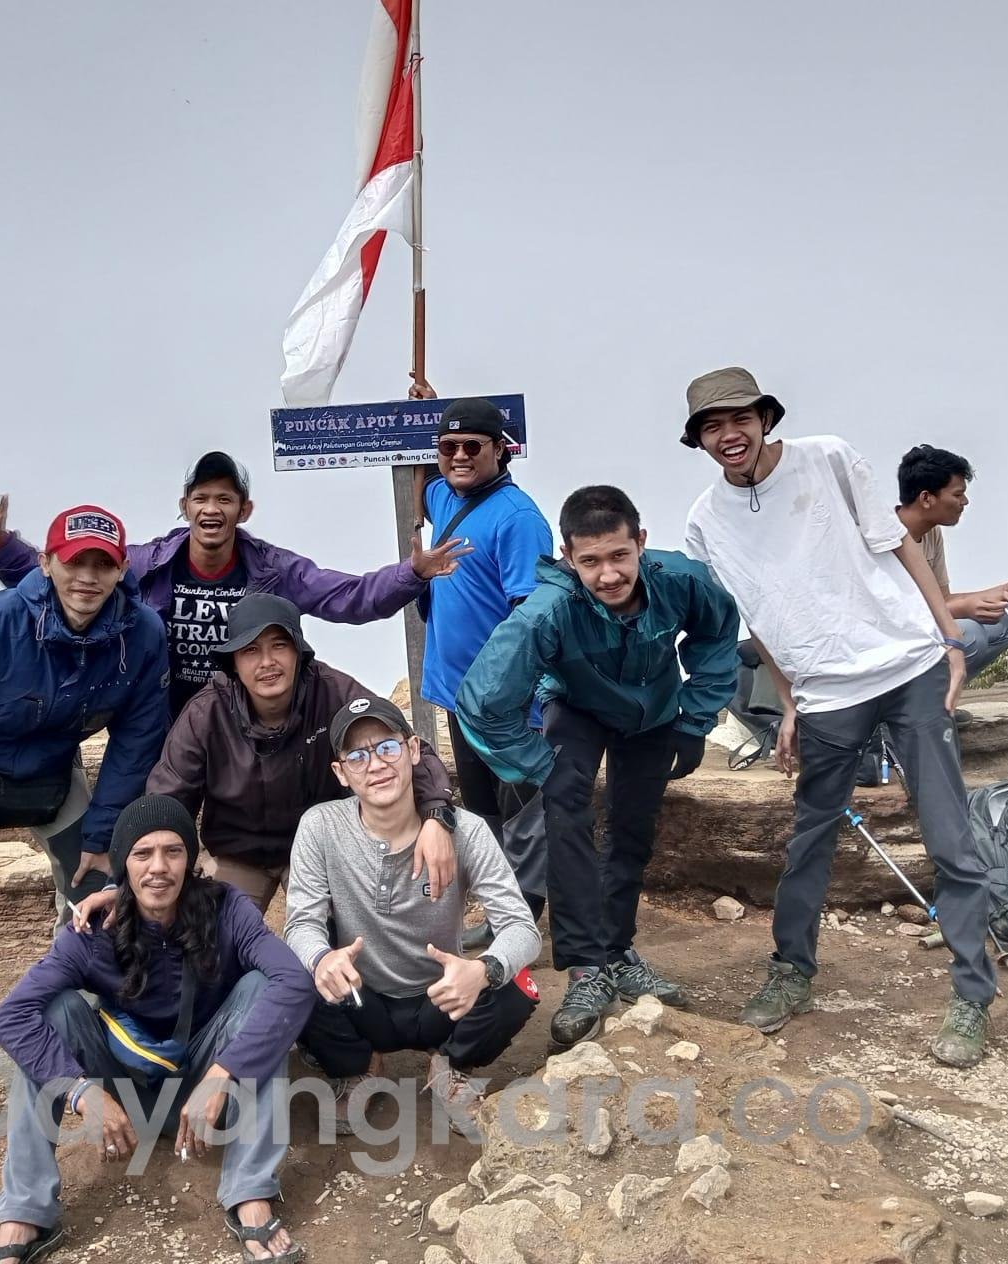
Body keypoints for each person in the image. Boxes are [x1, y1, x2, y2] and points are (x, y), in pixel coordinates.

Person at [680, 368, 998, 1068]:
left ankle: (973, 994)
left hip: (906, 664)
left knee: (949, 833)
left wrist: (946, 637)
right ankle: (793, 969)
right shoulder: (704, 522)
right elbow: (756, 616)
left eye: (739, 418)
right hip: (826, 692)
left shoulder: (826, 457)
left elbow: (900, 544)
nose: (728, 434)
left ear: (764, 418)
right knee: (810, 841)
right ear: (699, 439)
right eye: (711, 425)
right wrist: (789, 699)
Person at [0, 505, 171, 1138]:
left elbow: (136, 742)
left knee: (93, 901)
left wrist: (105, 838)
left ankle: (73, 1037)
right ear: (47, 563)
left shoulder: (141, 635)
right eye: (74, 561)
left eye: (102, 564)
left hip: (55, 781)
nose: (87, 576)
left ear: (120, 570)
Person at [454, 486, 739, 1047]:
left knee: (632, 831)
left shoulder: (682, 580)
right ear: (568, 558)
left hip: (654, 712)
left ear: (641, 543)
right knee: (567, 820)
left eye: (618, 556)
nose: (608, 575)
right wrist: (537, 763)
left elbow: (717, 634)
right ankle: (587, 970)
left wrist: (694, 718)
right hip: (577, 707)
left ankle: (618, 952)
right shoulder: (548, 611)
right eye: (590, 562)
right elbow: (482, 700)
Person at [0, 795, 315, 1264]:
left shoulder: (228, 910)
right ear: (123, 865)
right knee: (56, 1010)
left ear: (190, 860)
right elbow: (9, 1018)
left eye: (173, 851)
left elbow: (295, 982)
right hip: (123, 1095)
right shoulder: (90, 932)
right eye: (143, 854)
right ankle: (24, 1211)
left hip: (207, 1093)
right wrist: (81, 1092)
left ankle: (250, 1193)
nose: (159, 867)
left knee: (262, 990)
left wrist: (223, 1074)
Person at [0, 451, 468, 720]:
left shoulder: (273, 570)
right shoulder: (147, 562)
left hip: (242, 714)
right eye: (201, 498)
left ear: (245, 510)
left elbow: (347, 597)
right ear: (184, 506)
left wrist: (412, 573)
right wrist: (1, 543)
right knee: (152, 824)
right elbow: (69, 581)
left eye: (224, 499)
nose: (211, 509)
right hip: (162, 713)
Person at [77, 594, 457, 918]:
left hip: (318, 851)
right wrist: (124, 884)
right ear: (233, 662)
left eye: (279, 645)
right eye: (251, 650)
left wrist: (437, 816)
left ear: (299, 652)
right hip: (236, 855)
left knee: (343, 934)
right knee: (209, 943)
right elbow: (164, 801)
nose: (267, 662)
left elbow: (407, 750)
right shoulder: (206, 712)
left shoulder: (334, 693)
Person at [283, 695, 541, 1133]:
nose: (376, 764)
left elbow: (522, 927)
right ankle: (359, 1065)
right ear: (340, 773)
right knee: (293, 970)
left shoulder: (467, 830)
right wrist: (323, 958)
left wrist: (482, 971)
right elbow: (301, 922)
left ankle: (451, 1067)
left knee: (516, 978)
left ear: (414, 751)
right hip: (361, 995)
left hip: (444, 997)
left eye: (387, 747)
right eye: (357, 756)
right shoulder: (320, 826)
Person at [407, 391, 554, 945]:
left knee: (521, 818)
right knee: (484, 815)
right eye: (449, 447)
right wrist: (431, 399)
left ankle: (521, 923)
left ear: (502, 450)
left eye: (474, 446)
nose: (460, 456)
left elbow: (532, 612)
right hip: (456, 693)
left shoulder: (519, 520)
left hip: (505, 704)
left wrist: (513, 694)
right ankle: (499, 913)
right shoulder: (445, 493)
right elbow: (425, 487)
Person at [895, 444, 1008, 683]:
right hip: (890, 638)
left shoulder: (931, 534)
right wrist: (965, 608)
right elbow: (894, 614)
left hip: (920, 629)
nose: (965, 501)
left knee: (1005, 624)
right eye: (957, 494)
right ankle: (899, 715)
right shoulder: (884, 536)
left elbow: (942, 599)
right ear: (926, 498)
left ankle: (940, 704)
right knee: (968, 634)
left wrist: (1002, 592)